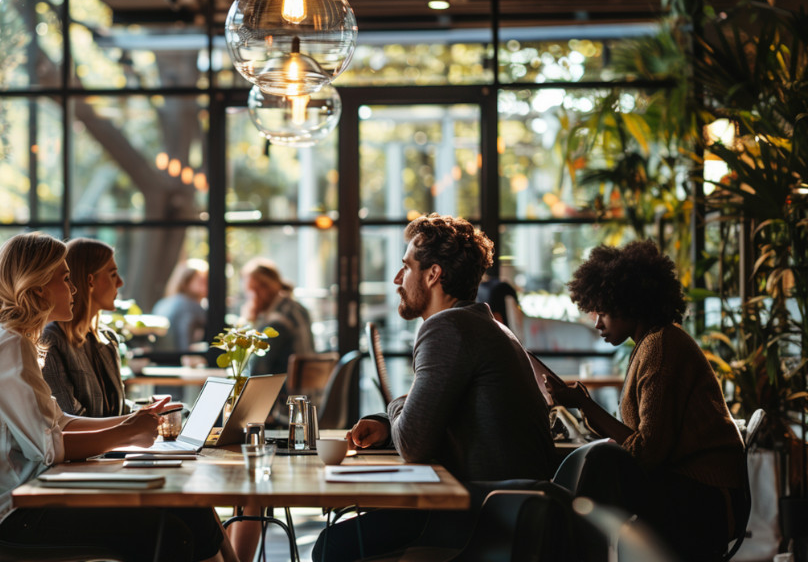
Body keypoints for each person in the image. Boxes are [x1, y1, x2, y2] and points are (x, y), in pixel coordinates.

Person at [0, 232, 236, 562]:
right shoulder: (9, 344)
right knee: (171, 533)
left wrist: (131, 422)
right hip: (17, 515)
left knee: (189, 512)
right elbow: (49, 448)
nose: (72, 289)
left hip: (29, 499)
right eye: (65, 278)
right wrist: (126, 433)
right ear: (38, 286)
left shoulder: (11, 340)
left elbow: (58, 423)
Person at [313, 214, 557, 562]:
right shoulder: (482, 323)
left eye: (406, 267)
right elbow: (437, 420)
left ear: (432, 274)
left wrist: (399, 403)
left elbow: (413, 444)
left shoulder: (447, 328)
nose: (398, 279)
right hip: (514, 508)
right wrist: (388, 422)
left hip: (484, 513)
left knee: (331, 547)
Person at [546, 240, 745, 561]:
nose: (597, 323)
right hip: (692, 493)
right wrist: (583, 404)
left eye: (603, 311)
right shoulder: (653, 343)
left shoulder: (660, 348)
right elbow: (639, 443)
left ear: (631, 302)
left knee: (596, 469)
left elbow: (647, 452)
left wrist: (585, 405)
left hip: (701, 502)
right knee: (597, 469)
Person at [41, 237, 130, 417]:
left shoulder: (108, 338)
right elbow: (69, 417)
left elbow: (118, 411)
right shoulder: (50, 340)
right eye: (113, 274)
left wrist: (152, 413)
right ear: (90, 280)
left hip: (113, 444)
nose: (120, 282)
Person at [239, 258, 315, 377]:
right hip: (309, 391)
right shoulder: (298, 308)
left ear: (263, 289)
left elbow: (256, 372)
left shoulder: (277, 321)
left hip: (285, 393)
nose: (250, 297)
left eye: (251, 291)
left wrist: (249, 322)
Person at [152, 259, 209, 351]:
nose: (206, 285)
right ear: (186, 281)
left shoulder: (161, 304)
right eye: (202, 281)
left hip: (162, 360)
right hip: (182, 359)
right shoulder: (191, 306)